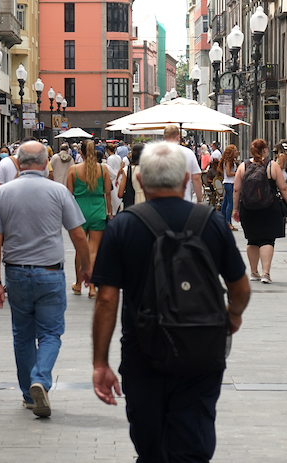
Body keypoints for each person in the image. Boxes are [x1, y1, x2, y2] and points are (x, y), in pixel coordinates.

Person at [90, 141, 251, 462]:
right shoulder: (212, 222)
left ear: (140, 181)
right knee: (193, 440)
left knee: (150, 446)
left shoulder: (123, 226)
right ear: (182, 181)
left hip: (143, 351)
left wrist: (100, 362)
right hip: (202, 349)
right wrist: (232, 317)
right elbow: (241, 287)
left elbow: (107, 300)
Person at [0, 140, 91, 417]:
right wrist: (87, 268)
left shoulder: (2, 193)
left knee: (22, 336)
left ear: (18, 163)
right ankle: (41, 379)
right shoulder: (58, 192)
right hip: (50, 273)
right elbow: (78, 234)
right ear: (46, 163)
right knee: (50, 333)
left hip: (16, 273)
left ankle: (29, 396)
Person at [232, 139, 287, 285]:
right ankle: (266, 273)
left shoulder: (243, 166)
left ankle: (253, 272)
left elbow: (236, 190)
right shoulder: (272, 165)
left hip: (248, 208)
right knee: (267, 240)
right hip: (269, 208)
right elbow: (283, 188)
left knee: (252, 239)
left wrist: (235, 209)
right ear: (265, 150)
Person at [66, 140, 111, 298]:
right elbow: (107, 192)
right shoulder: (103, 169)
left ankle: (78, 284)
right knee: (94, 250)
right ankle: (92, 287)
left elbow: (68, 195)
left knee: (80, 249)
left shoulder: (73, 170)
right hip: (98, 209)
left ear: (81, 153)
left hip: (79, 211)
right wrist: (110, 212)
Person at [162, 125, 203, 203]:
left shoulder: (156, 153)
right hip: (184, 201)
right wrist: (199, 199)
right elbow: (196, 178)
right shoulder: (189, 153)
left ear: (164, 137)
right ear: (178, 137)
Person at [220, 144, 239, 231]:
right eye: (235, 150)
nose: (237, 152)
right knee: (230, 203)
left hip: (228, 183)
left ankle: (223, 221)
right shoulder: (228, 161)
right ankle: (228, 222)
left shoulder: (231, 161)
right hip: (229, 183)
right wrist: (237, 173)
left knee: (225, 203)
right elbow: (228, 173)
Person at [124, 143, 144, 208]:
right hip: (147, 203)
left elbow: (120, 193)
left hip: (131, 204)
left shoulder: (127, 169)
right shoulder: (150, 169)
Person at [106, 149, 126, 214]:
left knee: (113, 193)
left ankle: (114, 209)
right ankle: (118, 205)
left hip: (113, 175)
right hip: (119, 174)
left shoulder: (109, 158)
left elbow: (109, 168)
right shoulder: (118, 157)